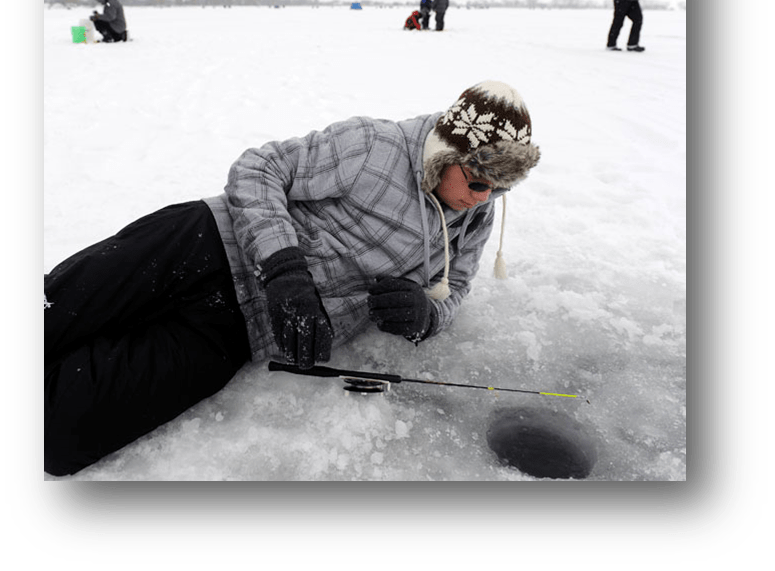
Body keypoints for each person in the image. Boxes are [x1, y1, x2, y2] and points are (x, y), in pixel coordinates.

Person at [43, 80, 541, 476]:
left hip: (240, 328)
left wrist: (426, 315)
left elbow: (457, 288)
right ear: (443, 155)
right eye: (478, 182)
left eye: (501, 189)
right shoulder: (375, 146)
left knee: (59, 438)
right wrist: (284, 269)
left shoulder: (476, 216)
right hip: (205, 241)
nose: (483, 198)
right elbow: (258, 169)